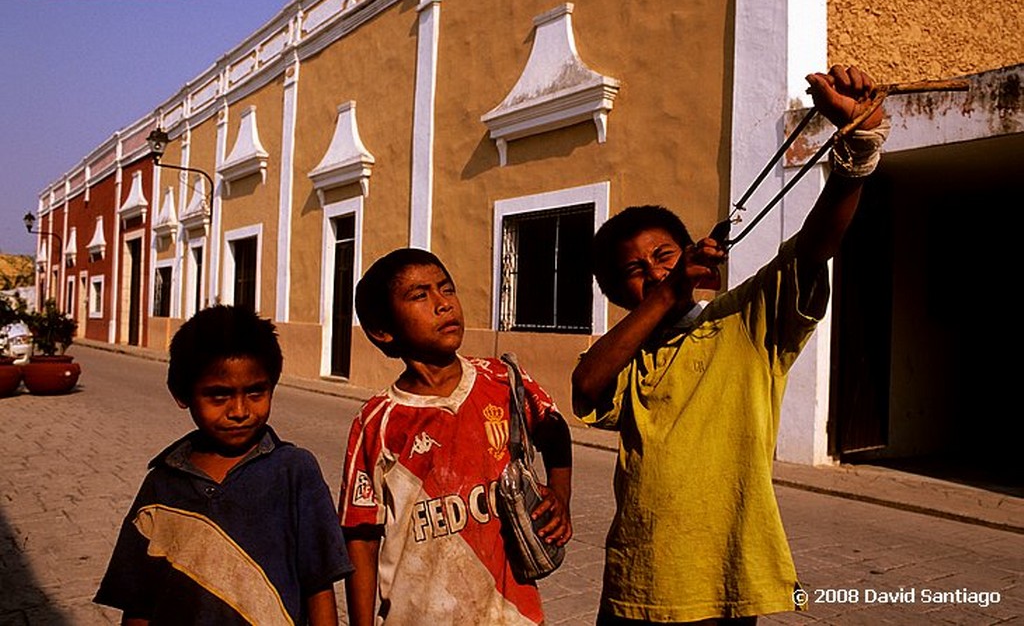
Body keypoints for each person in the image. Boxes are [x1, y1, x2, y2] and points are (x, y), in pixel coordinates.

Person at [572, 65, 889, 625]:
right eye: (633, 270)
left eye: (664, 255)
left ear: (691, 250)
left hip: (729, 574)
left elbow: (816, 245)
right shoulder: (628, 351)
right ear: (614, 293)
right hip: (638, 578)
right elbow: (585, 387)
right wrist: (668, 291)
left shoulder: (744, 320)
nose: (653, 270)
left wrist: (857, 151)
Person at [340, 248, 573, 626]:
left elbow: (554, 427)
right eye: (420, 295)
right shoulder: (377, 421)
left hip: (512, 614)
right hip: (417, 615)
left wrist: (561, 494)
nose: (443, 304)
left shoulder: (502, 381)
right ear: (383, 330)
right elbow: (361, 538)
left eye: (446, 289)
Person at [94, 305, 352, 626]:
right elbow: (138, 602)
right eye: (219, 396)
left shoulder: (295, 471)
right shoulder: (162, 483)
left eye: (255, 392)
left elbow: (319, 586)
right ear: (181, 394)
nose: (240, 410)